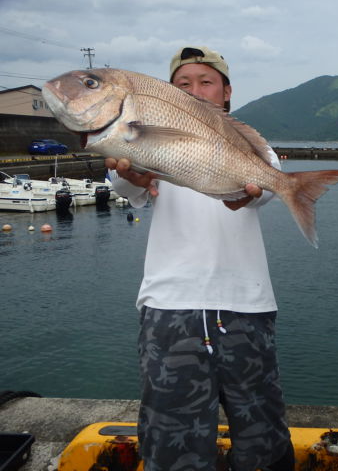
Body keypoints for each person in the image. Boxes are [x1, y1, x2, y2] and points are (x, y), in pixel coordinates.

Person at [105, 46, 294, 471]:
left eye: (206, 82)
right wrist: (132, 174)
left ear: (227, 92)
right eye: (182, 84)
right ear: (169, 94)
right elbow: (124, 182)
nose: (195, 90)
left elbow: (262, 190)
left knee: (262, 435)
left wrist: (248, 193)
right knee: (172, 441)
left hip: (247, 306)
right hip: (170, 306)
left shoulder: (254, 146)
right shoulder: (149, 141)